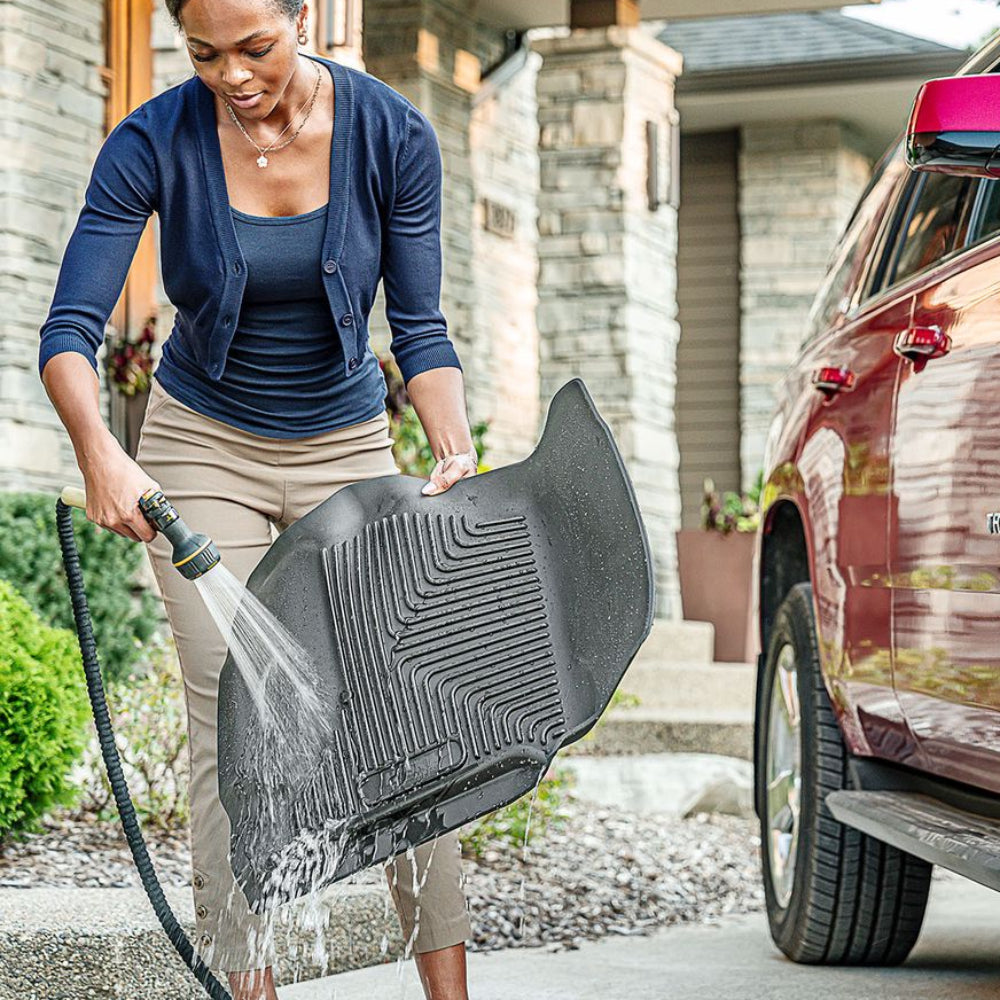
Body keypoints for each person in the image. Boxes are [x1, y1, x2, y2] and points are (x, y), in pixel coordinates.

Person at [37, 1, 477, 997]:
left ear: (304, 16)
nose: (232, 76)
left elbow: (419, 327)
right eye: (203, 53)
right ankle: (251, 988)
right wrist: (100, 449)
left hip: (350, 443)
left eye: (255, 47)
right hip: (199, 451)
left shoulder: (392, 133)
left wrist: (452, 447)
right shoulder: (152, 138)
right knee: (231, 718)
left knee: (405, 717)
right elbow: (68, 329)